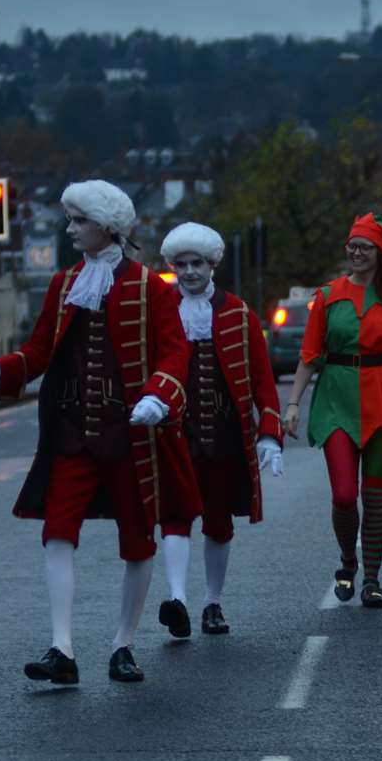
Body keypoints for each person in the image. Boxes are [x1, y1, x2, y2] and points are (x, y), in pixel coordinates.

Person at [0, 180, 200, 685]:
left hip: (131, 436)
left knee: (138, 542)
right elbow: (38, 352)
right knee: (56, 533)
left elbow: (176, 352)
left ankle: (123, 645)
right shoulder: (64, 282)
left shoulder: (149, 288)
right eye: (69, 219)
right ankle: (62, 649)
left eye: (79, 221)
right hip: (73, 434)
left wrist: (159, 395)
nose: (70, 230)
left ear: (108, 228)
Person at [283, 213, 382, 611]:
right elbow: (309, 356)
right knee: (345, 495)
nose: (357, 252)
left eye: (365, 247)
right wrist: (293, 404)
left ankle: (373, 580)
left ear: (381, 254)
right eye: (353, 246)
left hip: (381, 400)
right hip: (335, 401)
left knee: (375, 497)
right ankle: (348, 563)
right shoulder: (328, 297)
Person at [155, 223, 285, 637]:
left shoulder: (238, 312)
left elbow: (263, 379)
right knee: (175, 515)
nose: (189, 272)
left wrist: (269, 433)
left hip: (227, 434)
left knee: (218, 521)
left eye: (197, 264)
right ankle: (177, 599)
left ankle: (212, 602)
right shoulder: (160, 309)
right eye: (181, 265)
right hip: (175, 431)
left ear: (212, 265)